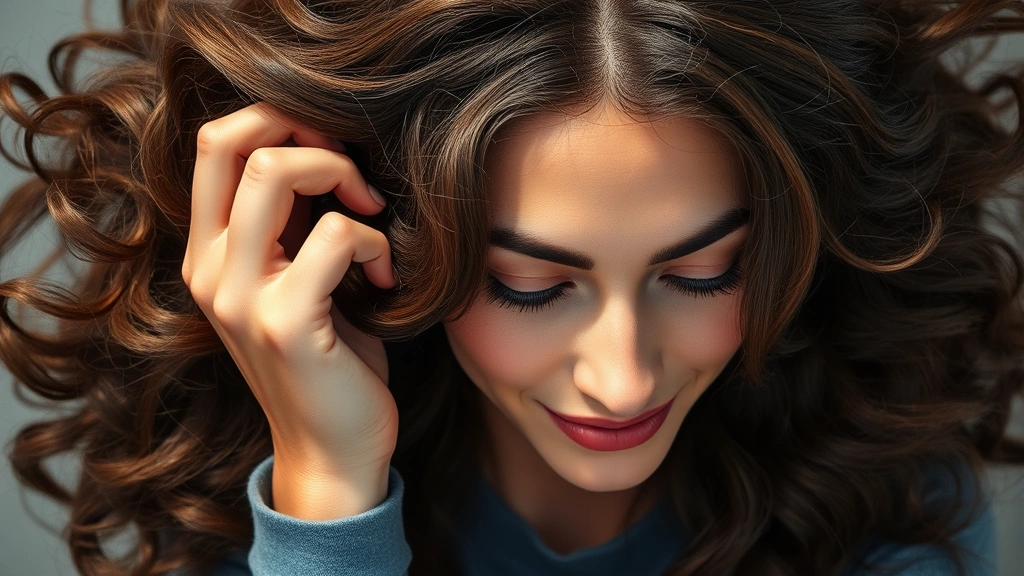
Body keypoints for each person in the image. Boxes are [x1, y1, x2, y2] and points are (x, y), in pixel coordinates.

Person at [1, 0, 1023, 574]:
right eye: (531, 286)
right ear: (363, 236)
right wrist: (325, 495)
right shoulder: (236, 506)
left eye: (706, 270)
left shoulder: (891, 506)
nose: (623, 382)